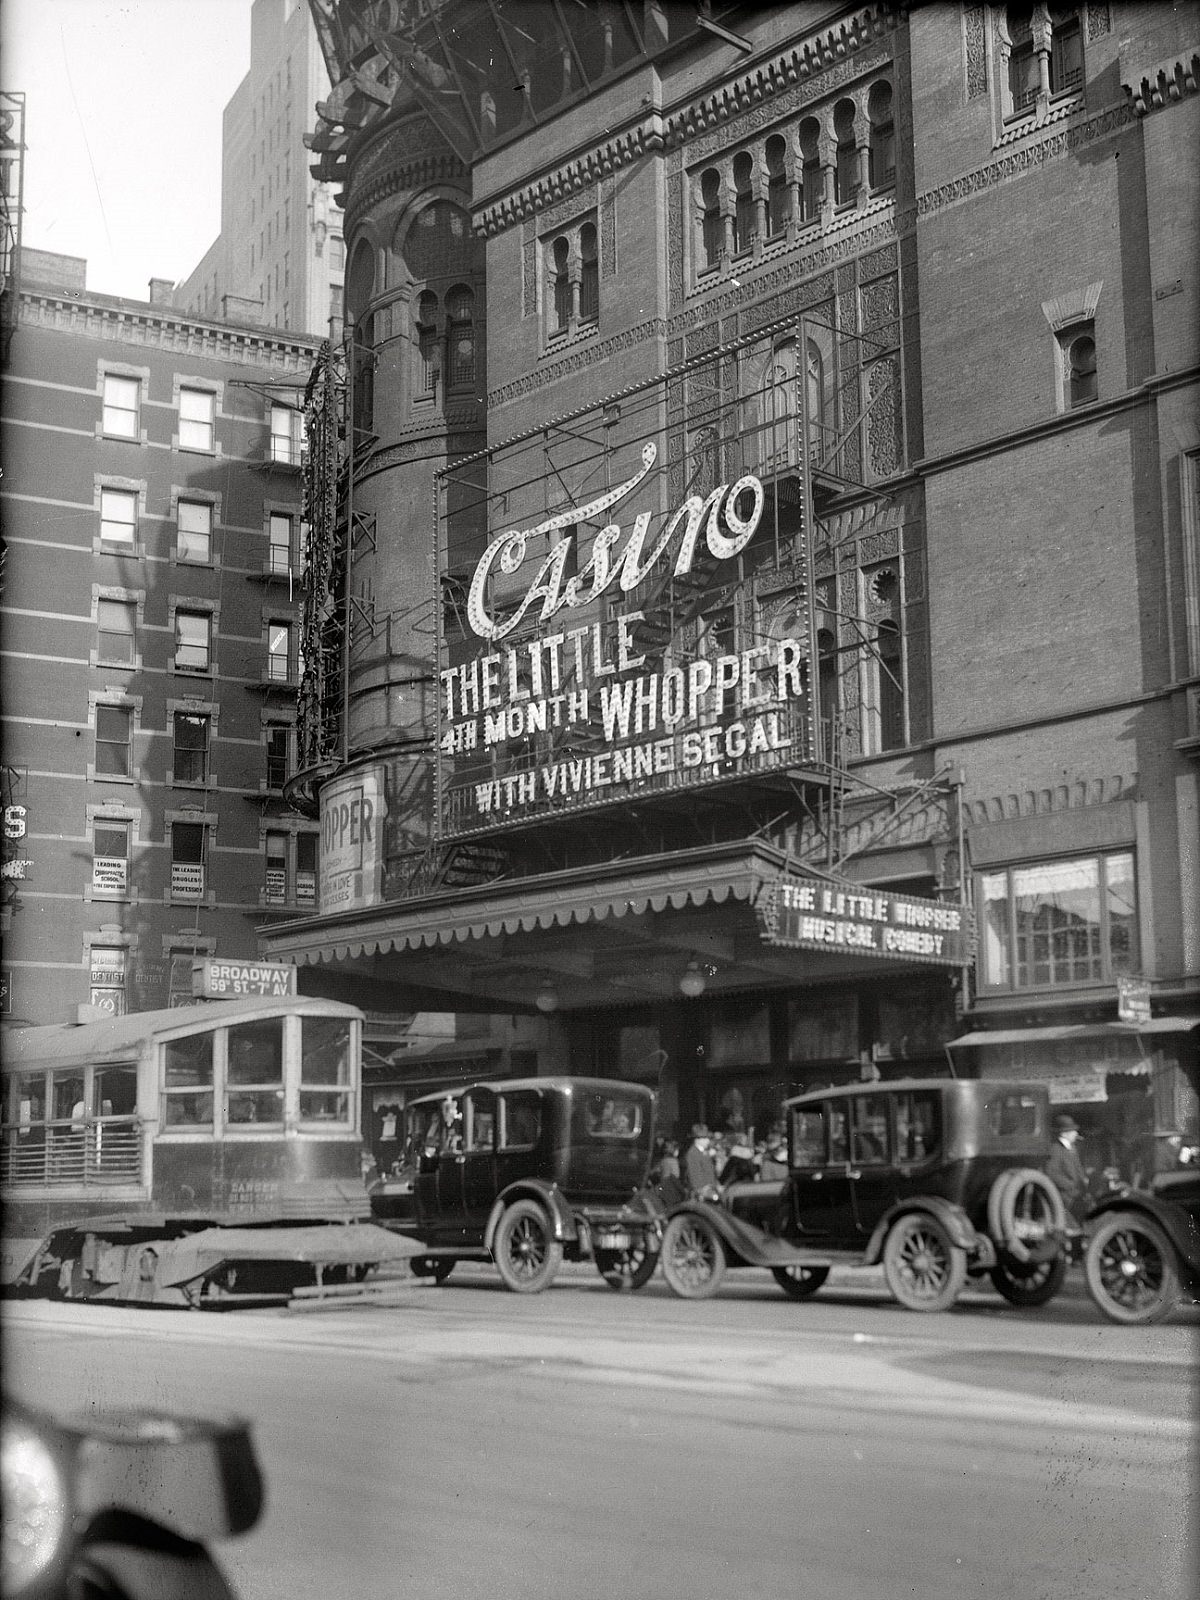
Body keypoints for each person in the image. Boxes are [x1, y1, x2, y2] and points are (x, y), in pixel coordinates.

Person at [1044, 1112, 1089, 1225]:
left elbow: (1078, 1168)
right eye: (1073, 1131)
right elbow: (1051, 1173)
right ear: (1064, 1134)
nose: (1076, 1133)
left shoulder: (1072, 1147)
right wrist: (1070, 1185)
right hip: (1065, 1197)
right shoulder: (1055, 1149)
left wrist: (1084, 1179)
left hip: (1078, 1194)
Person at [682, 1124, 720, 1199]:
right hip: (703, 1194)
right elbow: (696, 1180)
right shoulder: (693, 1154)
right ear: (697, 1139)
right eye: (705, 1138)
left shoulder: (703, 1152)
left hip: (710, 1190)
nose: (708, 1141)